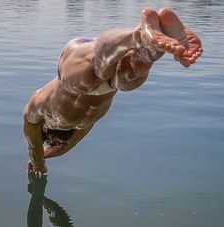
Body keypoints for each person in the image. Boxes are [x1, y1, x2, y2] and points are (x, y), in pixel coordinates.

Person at [23, 8, 203, 173]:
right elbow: (61, 148)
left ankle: (138, 34)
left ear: (44, 131)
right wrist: (43, 157)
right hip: (110, 82)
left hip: (77, 63)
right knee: (130, 78)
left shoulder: (36, 113)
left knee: (91, 75)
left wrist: (38, 164)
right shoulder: (81, 129)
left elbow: (34, 145)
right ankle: (154, 41)